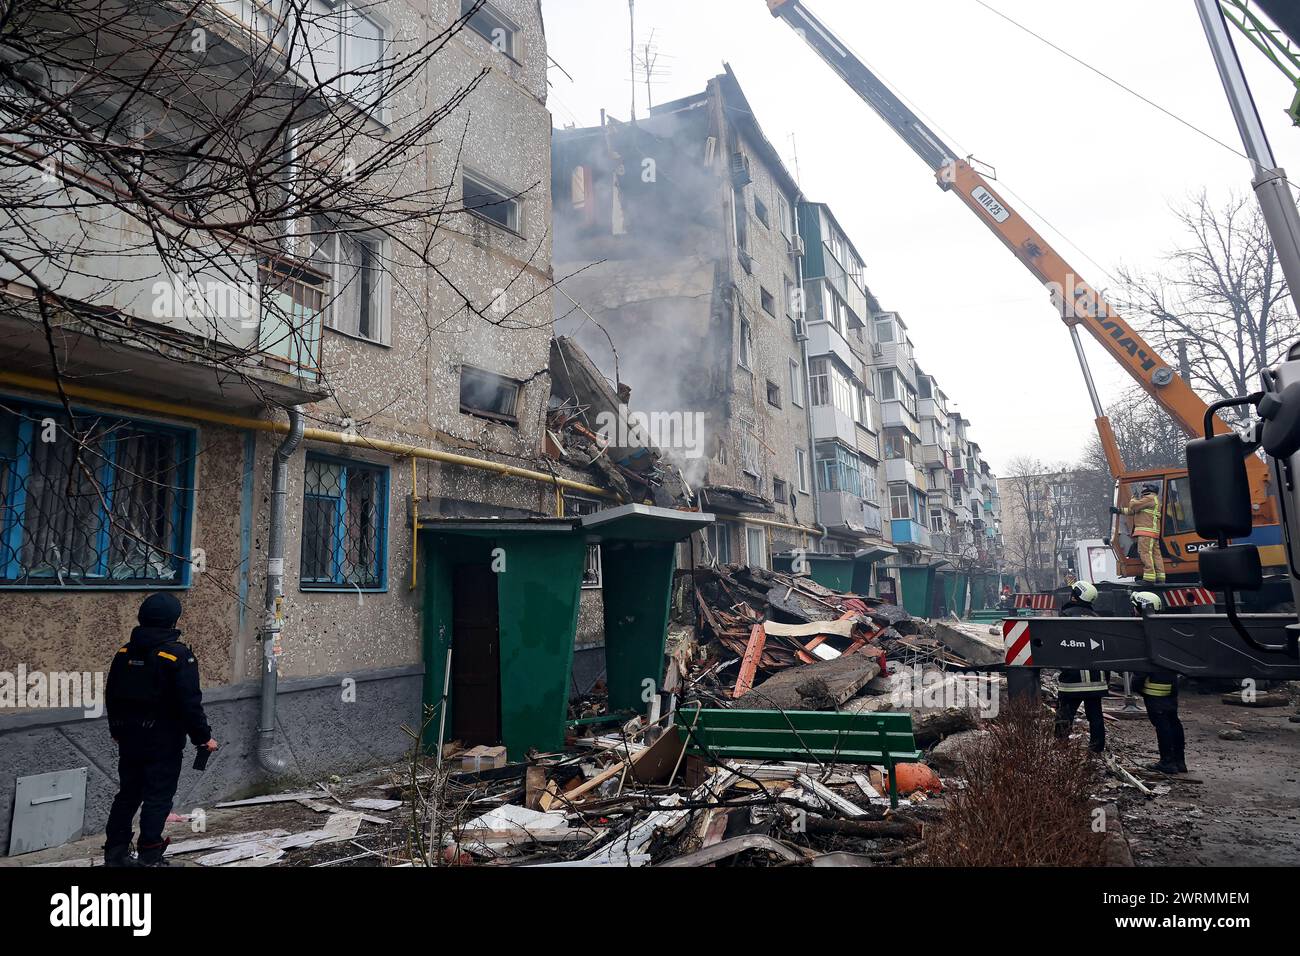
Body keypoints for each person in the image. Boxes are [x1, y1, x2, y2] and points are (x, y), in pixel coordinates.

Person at [104, 593, 217, 867]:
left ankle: (115, 854)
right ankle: (150, 855)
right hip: (162, 742)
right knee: (157, 796)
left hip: (129, 740)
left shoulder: (124, 652)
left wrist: (117, 730)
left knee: (128, 794)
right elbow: (190, 703)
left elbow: (112, 695)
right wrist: (204, 738)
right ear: (172, 620)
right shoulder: (177, 655)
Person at [1132, 590, 1186, 774]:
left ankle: (1168, 762)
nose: (1133, 611)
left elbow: (1142, 663)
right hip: (1171, 685)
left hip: (1154, 688)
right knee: (1173, 721)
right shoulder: (1165, 627)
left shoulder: (1145, 631)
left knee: (1162, 725)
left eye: (1135, 608)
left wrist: (1136, 684)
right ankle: (1180, 761)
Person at [1053, 581, 1108, 752]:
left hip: (1072, 679)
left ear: (1075, 596)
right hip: (1095, 679)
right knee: (1096, 716)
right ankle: (1097, 748)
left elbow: (1058, 644)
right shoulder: (1097, 618)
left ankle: (1061, 747)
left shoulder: (1066, 615)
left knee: (1065, 714)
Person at [1112, 482, 1165, 584]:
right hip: (1152, 533)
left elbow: (1133, 506)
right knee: (1155, 555)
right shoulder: (1153, 500)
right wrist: (1119, 510)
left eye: (1143, 488)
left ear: (1148, 489)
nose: (1142, 490)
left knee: (1145, 553)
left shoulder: (1149, 498)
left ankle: (1149, 578)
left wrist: (1133, 498)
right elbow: (1134, 511)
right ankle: (1160, 577)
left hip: (1146, 533)